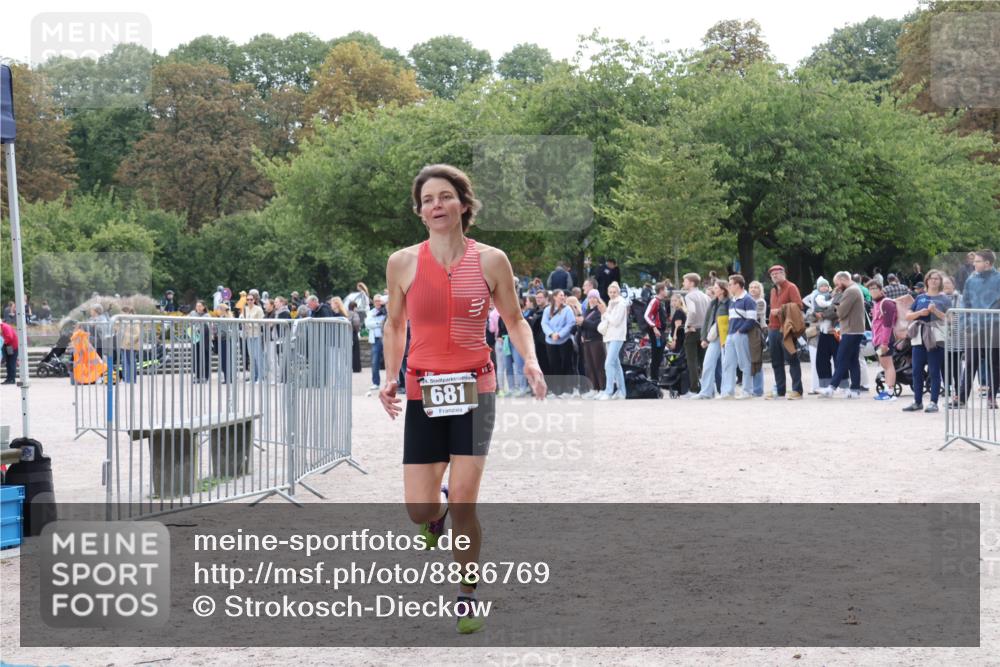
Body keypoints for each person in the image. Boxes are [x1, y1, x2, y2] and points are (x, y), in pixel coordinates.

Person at [378, 164, 545, 635]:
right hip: (424, 390)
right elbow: (395, 324)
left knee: (466, 502)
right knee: (419, 509)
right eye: (428, 199)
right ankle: (435, 516)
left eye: (446, 196)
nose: (437, 205)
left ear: (464, 204)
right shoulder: (402, 263)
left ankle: (467, 594)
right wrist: (390, 377)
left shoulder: (491, 260)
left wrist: (530, 361)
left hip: (476, 389)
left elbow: (514, 319)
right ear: (419, 211)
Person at [901, 270, 950, 412]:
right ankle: (917, 402)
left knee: (934, 371)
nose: (933, 281)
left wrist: (935, 312)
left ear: (940, 282)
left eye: (936, 279)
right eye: (931, 278)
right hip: (919, 337)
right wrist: (919, 313)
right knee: (917, 370)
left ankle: (933, 402)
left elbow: (950, 319)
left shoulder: (945, 299)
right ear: (927, 281)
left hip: (937, 338)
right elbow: (908, 315)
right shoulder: (920, 298)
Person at [956, 250, 1000, 409]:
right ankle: (961, 399)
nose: (974, 264)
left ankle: (991, 398)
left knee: (994, 364)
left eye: (977, 261)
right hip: (974, 328)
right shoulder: (971, 280)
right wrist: (964, 325)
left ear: (987, 263)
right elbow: (965, 303)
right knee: (970, 363)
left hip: (994, 327)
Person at [819, 272, 866, 399]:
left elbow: (841, 312)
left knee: (841, 358)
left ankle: (831, 388)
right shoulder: (855, 289)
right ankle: (855, 389)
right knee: (852, 360)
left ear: (843, 279)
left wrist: (835, 299)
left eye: (837, 283)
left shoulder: (850, 291)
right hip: (856, 329)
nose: (837, 286)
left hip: (850, 330)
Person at [766, 265, 804, 399]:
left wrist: (780, 310)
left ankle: (797, 390)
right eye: (772, 275)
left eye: (777, 274)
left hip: (786, 329)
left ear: (783, 274)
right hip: (773, 328)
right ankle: (780, 390)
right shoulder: (773, 290)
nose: (774, 276)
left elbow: (799, 306)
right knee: (776, 361)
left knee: (792, 359)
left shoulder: (791, 287)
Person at [690, 280, 730, 399]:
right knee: (707, 363)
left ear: (722, 290)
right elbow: (706, 320)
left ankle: (726, 392)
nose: (713, 289)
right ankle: (706, 392)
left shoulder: (729, 302)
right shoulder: (713, 302)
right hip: (713, 337)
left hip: (726, 337)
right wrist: (704, 338)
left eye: (716, 288)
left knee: (726, 365)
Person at [719, 274, 755, 399]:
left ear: (737, 285)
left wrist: (740, 331)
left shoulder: (748, 300)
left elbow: (751, 319)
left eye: (730, 284)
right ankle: (729, 392)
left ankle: (747, 391)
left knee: (745, 363)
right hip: (731, 335)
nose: (728, 287)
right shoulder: (733, 300)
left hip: (741, 335)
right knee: (728, 364)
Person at [804, 277, 836, 392]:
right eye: (821, 286)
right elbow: (808, 318)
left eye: (826, 286)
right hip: (815, 337)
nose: (824, 288)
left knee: (831, 362)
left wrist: (825, 314)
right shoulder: (813, 303)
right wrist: (815, 313)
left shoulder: (833, 301)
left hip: (830, 335)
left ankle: (832, 385)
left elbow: (836, 314)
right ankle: (815, 387)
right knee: (815, 363)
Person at [542, 290, 576, 398]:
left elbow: (571, 323)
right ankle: (556, 390)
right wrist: (551, 334)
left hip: (564, 341)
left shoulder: (567, 309)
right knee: (554, 365)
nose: (563, 297)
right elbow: (544, 323)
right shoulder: (547, 309)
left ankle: (568, 390)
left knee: (566, 365)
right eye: (560, 295)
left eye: (563, 295)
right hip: (551, 341)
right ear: (555, 297)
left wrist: (560, 334)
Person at [868, 280, 898, 401]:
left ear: (881, 290)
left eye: (875, 288)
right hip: (879, 340)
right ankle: (887, 391)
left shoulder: (886, 303)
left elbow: (888, 325)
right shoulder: (877, 303)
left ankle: (890, 393)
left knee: (888, 365)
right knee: (885, 366)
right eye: (870, 289)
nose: (872, 291)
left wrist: (884, 343)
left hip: (885, 341)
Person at [683, 273, 711, 394]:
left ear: (691, 283)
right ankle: (707, 386)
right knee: (704, 360)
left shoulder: (689, 296)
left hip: (693, 329)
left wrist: (688, 325)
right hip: (704, 330)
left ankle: (694, 388)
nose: (683, 283)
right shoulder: (706, 296)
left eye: (685, 281)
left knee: (692, 361)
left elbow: (692, 311)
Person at [578, 289, 606, 398]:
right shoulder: (587, 311)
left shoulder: (599, 311)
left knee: (598, 366)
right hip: (587, 341)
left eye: (594, 297)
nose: (592, 299)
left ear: (598, 299)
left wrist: (583, 322)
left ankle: (602, 388)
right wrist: (581, 333)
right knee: (589, 366)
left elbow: (596, 326)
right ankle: (594, 388)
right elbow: (583, 325)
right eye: (590, 297)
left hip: (596, 341)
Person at [644, 283, 671, 383]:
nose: (667, 291)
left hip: (661, 332)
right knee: (656, 355)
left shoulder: (660, 302)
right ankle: (654, 378)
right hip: (656, 333)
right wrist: (654, 328)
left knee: (659, 356)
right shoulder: (654, 301)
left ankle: (655, 378)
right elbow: (646, 315)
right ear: (661, 290)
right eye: (666, 289)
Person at [747, 280, 767, 396]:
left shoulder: (760, 302)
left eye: (756, 287)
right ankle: (751, 388)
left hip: (757, 331)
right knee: (749, 361)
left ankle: (758, 389)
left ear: (760, 290)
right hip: (748, 331)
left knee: (756, 361)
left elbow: (753, 316)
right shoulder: (748, 301)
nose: (753, 289)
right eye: (751, 287)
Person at [240, 293, 265, 382]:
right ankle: (253, 377)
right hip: (248, 335)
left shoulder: (258, 309)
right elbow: (241, 319)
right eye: (248, 299)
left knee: (258, 356)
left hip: (257, 334)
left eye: (251, 299)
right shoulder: (245, 309)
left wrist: (250, 324)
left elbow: (261, 322)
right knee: (251, 357)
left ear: (254, 300)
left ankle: (260, 377)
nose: (249, 301)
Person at [365, 294, 387, 391]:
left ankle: (391, 382)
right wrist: (379, 323)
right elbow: (368, 324)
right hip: (376, 339)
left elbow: (387, 323)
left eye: (379, 301)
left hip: (386, 338)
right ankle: (375, 383)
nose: (377, 303)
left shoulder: (386, 311)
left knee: (389, 362)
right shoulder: (371, 312)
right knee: (375, 362)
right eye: (376, 301)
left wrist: (376, 323)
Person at [189, 300, 212, 383]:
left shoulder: (207, 315)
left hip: (205, 339)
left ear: (204, 307)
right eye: (197, 306)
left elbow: (209, 326)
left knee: (205, 357)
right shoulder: (192, 314)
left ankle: (205, 376)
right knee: (196, 357)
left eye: (200, 306)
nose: (198, 308)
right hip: (195, 339)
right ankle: (197, 376)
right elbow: (189, 323)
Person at [214, 303, 236, 383]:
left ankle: (228, 378)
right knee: (226, 360)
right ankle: (228, 377)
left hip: (225, 340)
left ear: (222, 310)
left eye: (218, 309)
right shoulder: (226, 317)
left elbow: (225, 331)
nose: (217, 311)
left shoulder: (225, 318)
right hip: (225, 340)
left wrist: (217, 333)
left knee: (225, 360)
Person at [348, 302, 363, 373]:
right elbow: (356, 324)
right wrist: (357, 330)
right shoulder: (355, 314)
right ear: (354, 307)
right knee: (356, 351)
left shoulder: (346, 313)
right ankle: (356, 368)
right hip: (353, 333)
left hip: (347, 334)